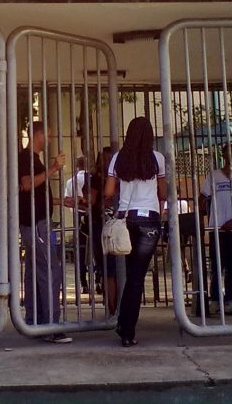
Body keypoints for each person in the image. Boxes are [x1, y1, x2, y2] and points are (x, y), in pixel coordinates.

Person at [104, 117, 166, 347]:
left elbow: (109, 191)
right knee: (137, 278)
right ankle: (127, 329)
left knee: (131, 275)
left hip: (126, 218)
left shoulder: (118, 158)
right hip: (149, 219)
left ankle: (124, 325)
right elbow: (163, 193)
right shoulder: (157, 158)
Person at [18, 121, 72, 343]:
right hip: (36, 224)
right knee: (51, 270)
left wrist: (62, 201)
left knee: (35, 271)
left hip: (36, 222)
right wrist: (54, 168)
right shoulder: (26, 158)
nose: (49, 140)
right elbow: (27, 185)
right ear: (37, 135)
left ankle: (35, 322)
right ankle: (50, 325)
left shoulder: (34, 159)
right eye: (47, 136)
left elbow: (38, 196)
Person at [199, 143, 232, 317]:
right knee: (216, 266)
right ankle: (214, 301)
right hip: (217, 228)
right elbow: (202, 197)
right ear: (222, 155)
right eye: (228, 151)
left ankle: (230, 300)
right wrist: (203, 217)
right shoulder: (213, 176)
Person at [85, 146, 117, 315]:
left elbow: (89, 200)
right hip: (102, 224)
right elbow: (90, 199)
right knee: (109, 267)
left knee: (114, 267)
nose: (106, 163)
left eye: (109, 159)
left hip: (114, 224)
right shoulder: (95, 179)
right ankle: (112, 306)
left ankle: (115, 306)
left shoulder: (115, 177)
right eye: (104, 159)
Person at [64, 156, 89, 294]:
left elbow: (68, 200)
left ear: (76, 166)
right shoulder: (91, 178)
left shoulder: (70, 181)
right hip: (93, 215)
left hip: (78, 216)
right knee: (97, 248)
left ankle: (83, 282)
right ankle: (99, 279)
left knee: (81, 249)